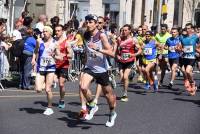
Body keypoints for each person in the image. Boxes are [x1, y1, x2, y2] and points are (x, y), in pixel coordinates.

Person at [79, 14, 117, 127]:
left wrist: (98, 49)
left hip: (101, 69)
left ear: (96, 24)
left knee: (108, 95)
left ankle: (112, 113)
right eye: (87, 22)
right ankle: (92, 105)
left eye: (91, 22)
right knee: (83, 87)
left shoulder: (102, 36)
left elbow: (111, 53)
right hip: (90, 67)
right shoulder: (85, 35)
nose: (88, 24)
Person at [32, 26, 62, 115]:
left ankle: (49, 107)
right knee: (38, 89)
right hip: (40, 67)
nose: (44, 33)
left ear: (50, 33)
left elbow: (60, 57)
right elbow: (35, 51)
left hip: (50, 68)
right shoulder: (39, 41)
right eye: (43, 31)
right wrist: (33, 59)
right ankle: (47, 82)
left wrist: (54, 56)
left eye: (46, 31)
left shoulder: (55, 43)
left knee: (48, 90)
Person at [116, 24, 141, 102]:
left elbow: (140, 50)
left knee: (125, 77)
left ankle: (125, 94)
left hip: (129, 61)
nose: (124, 31)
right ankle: (131, 75)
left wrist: (133, 54)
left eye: (126, 30)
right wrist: (117, 56)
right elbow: (116, 51)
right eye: (123, 30)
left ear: (130, 31)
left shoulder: (134, 40)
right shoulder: (119, 39)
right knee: (122, 77)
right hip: (121, 61)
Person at [54, 24, 72, 108]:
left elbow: (71, 55)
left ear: (62, 32)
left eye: (58, 31)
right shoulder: (53, 41)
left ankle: (62, 99)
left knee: (61, 84)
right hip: (54, 65)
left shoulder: (66, 42)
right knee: (51, 82)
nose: (57, 32)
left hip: (64, 65)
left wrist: (63, 55)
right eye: (56, 31)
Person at [180, 23, 200, 95]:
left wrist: (197, 51)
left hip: (192, 57)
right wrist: (180, 49)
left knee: (188, 71)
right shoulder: (182, 37)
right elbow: (179, 46)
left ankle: (192, 84)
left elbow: (198, 45)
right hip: (185, 57)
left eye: (189, 28)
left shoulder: (195, 37)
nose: (187, 30)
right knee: (186, 72)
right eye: (186, 28)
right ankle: (192, 87)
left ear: (192, 29)